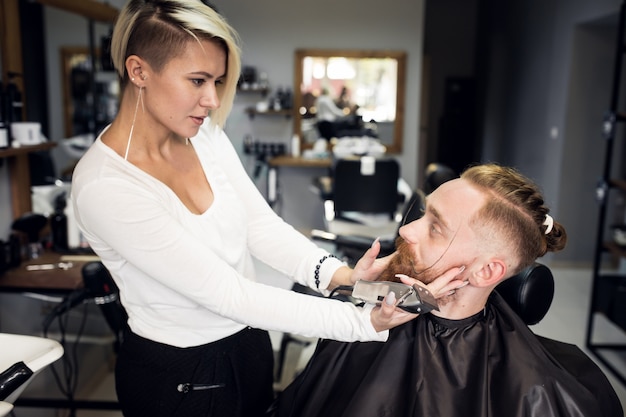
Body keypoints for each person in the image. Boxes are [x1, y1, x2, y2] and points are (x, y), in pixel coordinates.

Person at [69, 1, 465, 416]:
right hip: (179, 377)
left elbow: (259, 226)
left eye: (218, 81)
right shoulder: (105, 185)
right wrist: (360, 323)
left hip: (248, 345)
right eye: (198, 80)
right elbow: (227, 293)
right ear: (138, 71)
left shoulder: (203, 138)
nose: (212, 99)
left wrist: (342, 276)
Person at [271, 163, 624, 417]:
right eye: (424, 214)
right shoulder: (368, 312)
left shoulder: (543, 394)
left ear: (487, 271)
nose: (408, 231)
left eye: (436, 228)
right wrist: (360, 288)